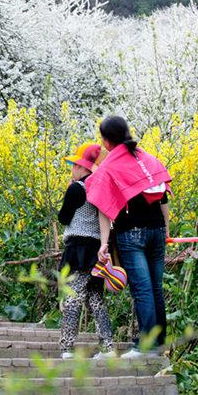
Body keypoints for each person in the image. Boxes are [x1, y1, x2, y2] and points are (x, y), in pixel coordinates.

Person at [85, 116, 172, 358]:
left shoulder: (110, 166)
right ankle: (158, 344)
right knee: (155, 287)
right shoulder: (148, 159)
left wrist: (103, 244)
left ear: (106, 141)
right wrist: (166, 228)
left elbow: (103, 207)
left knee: (142, 289)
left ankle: (146, 346)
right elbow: (163, 196)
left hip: (131, 233)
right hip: (156, 231)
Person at [57, 143, 114, 359]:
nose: (72, 169)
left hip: (78, 247)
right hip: (97, 249)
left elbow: (63, 218)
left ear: (83, 168)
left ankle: (67, 348)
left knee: (74, 296)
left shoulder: (76, 188)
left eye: (74, 165)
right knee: (96, 298)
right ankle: (108, 347)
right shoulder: (100, 188)